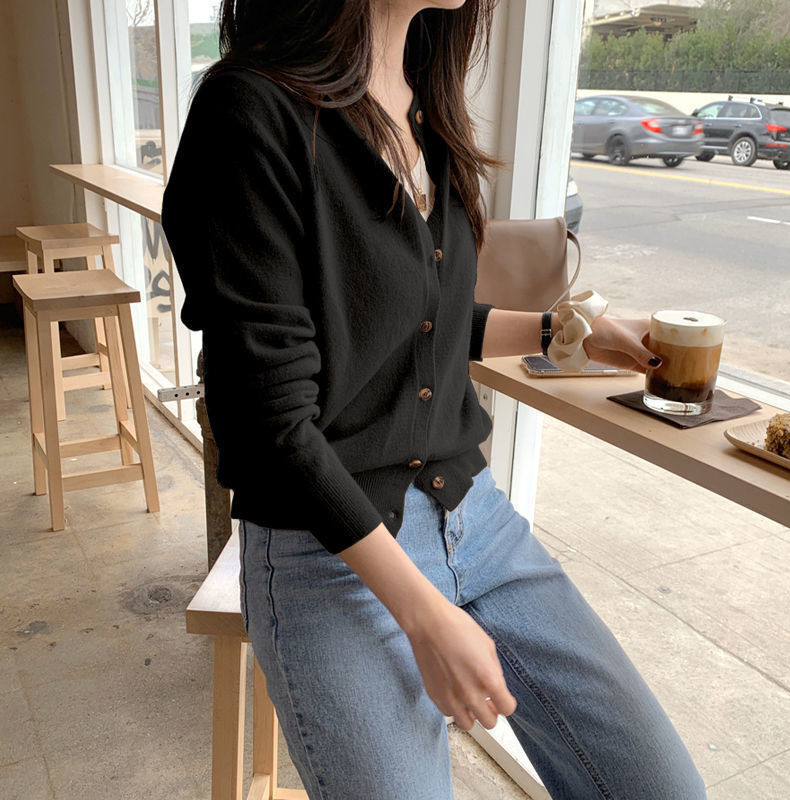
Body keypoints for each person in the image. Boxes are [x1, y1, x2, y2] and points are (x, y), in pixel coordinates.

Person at [161, 1, 707, 797]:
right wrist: (423, 614)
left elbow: (420, 325)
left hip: (473, 519)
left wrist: (565, 333)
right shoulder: (248, 112)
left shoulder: (423, 101)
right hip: (329, 549)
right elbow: (268, 423)